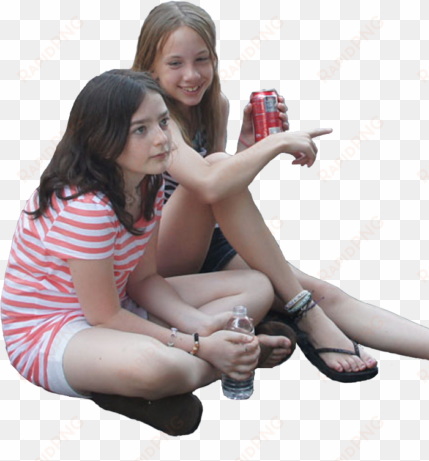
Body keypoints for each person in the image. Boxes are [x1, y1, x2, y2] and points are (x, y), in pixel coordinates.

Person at [131, 1, 429, 393]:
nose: (192, 75)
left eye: (202, 59)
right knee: (231, 187)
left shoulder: (213, 104)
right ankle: (303, 314)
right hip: (151, 255)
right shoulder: (149, 116)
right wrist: (271, 147)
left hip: (199, 237)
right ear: (150, 66)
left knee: (319, 290)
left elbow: (218, 195)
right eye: (176, 64)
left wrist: (247, 148)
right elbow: (206, 184)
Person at [0, 69, 301, 435]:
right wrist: (200, 345)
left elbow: (143, 280)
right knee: (159, 368)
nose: (162, 139)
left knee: (257, 286)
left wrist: (200, 324)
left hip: (118, 303)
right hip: (54, 331)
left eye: (162, 122)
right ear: (102, 139)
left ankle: (213, 359)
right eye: (140, 129)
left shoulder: (148, 182)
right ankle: (236, 356)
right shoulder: (86, 208)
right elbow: (105, 317)